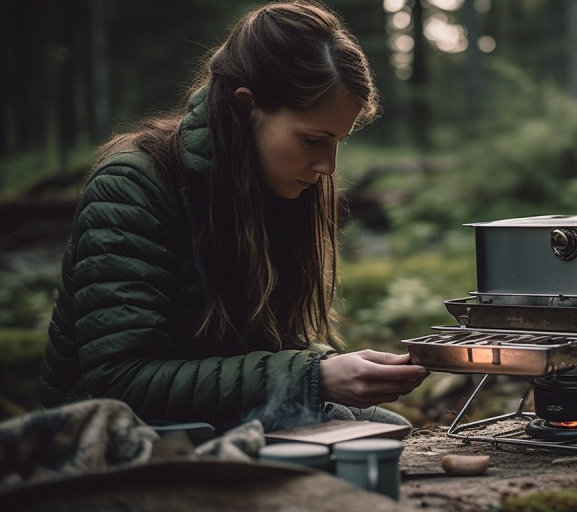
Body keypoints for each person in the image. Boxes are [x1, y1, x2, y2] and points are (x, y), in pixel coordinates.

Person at [38, 0, 429, 432]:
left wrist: (328, 366)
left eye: (338, 141)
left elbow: (271, 346)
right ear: (247, 107)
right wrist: (313, 377)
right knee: (360, 437)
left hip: (220, 412)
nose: (328, 167)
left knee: (388, 427)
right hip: (112, 428)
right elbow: (119, 378)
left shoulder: (275, 184)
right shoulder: (131, 187)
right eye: (313, 140)